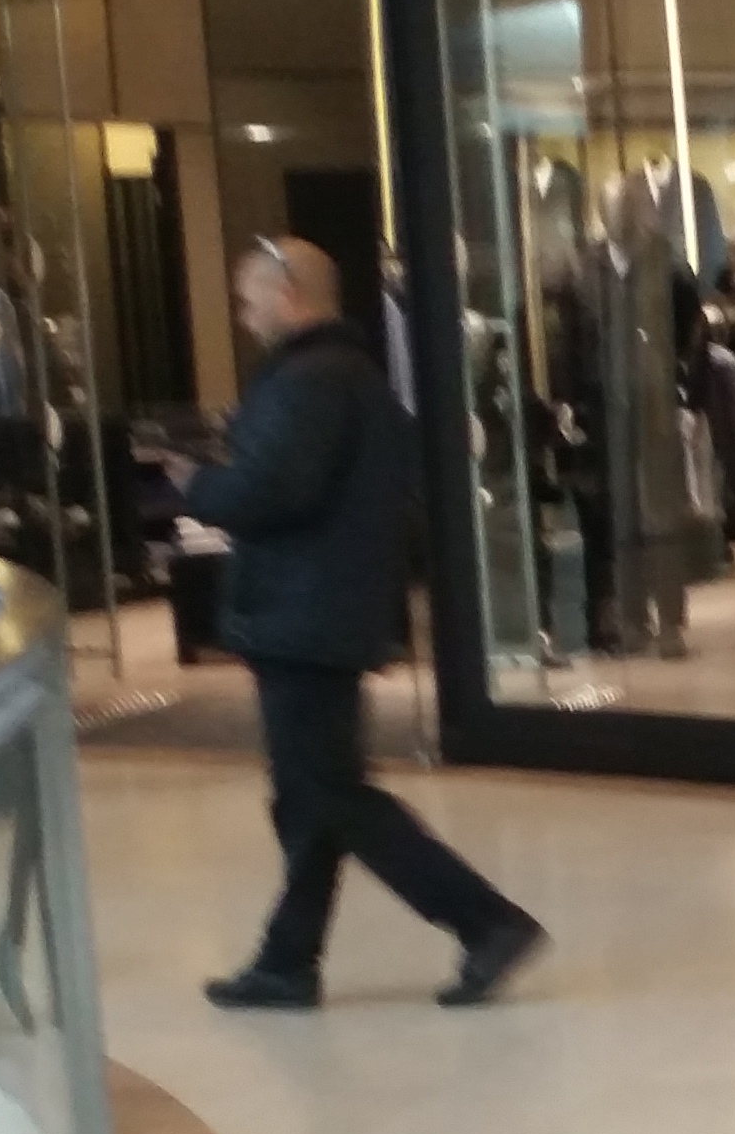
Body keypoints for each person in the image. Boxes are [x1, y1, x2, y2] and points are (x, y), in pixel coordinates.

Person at [171, 240, 544, 1011]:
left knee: (330, 796)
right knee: (310, 797)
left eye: (249, 299)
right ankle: (287, 961)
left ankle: (486, 922)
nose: (243, 316)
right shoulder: (346, 376)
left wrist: (199, 484)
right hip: (320, 612)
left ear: (289, 294)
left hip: (303, 617)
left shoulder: (311, 381)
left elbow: (273, 490)